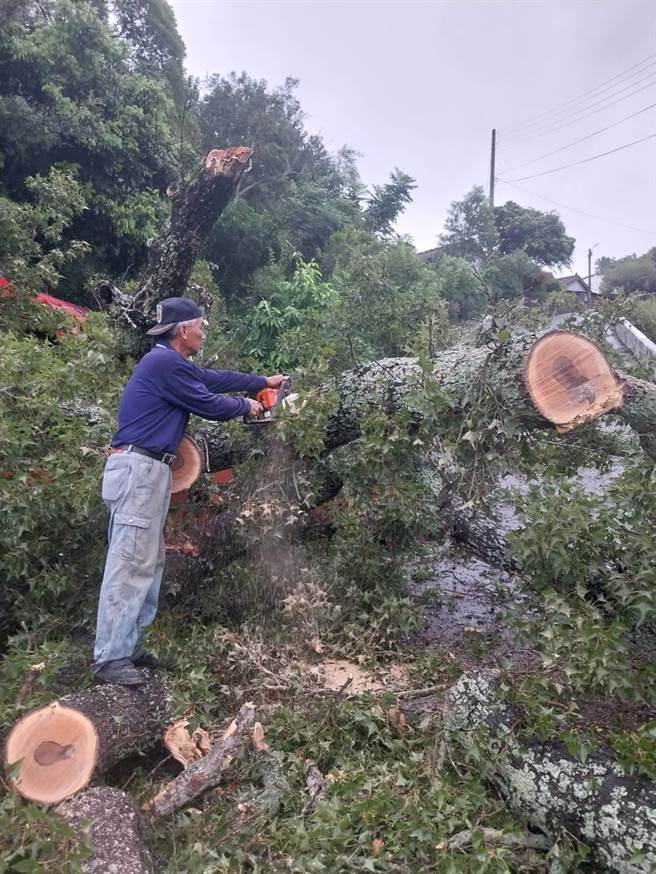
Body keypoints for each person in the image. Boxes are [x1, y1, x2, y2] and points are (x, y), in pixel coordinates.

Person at [93, 296, 285, 686]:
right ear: (183, 330)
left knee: (148, 562)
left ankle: (128, 648)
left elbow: (214, 379)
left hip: (150, 468)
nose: (203, 332)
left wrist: (262, 383)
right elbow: (207, 401)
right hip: (139, 468)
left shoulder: (171, 363)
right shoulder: (163, 363)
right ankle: (110, 658)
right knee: (130, 561)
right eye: (201, 325)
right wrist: (246, 406)